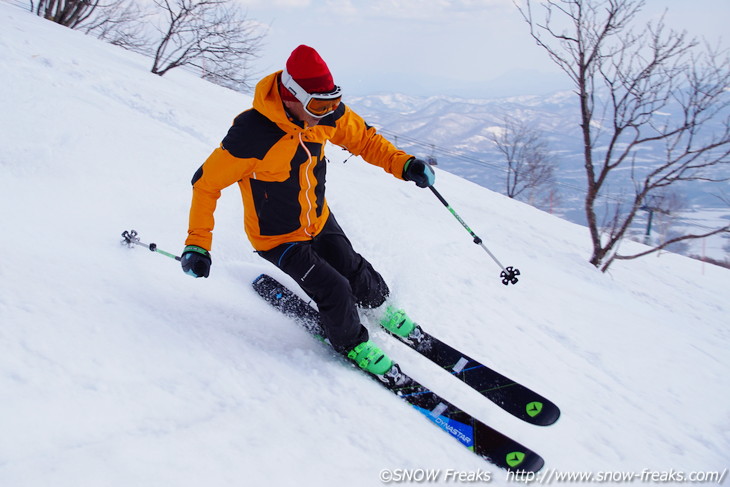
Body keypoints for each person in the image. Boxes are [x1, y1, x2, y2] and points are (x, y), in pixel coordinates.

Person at [180, 45, 435, 381]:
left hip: (318, 218)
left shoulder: (325, 116)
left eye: (332, 103)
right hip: (278, 237)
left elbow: (366, 141)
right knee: (334, 287)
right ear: (291, 96)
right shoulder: (252, 135)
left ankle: (380, 307)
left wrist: (404, 164)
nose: (327, 114)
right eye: (318, 106)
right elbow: (206, 184)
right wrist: (197, 244)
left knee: (354, 268)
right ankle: (351, 344)